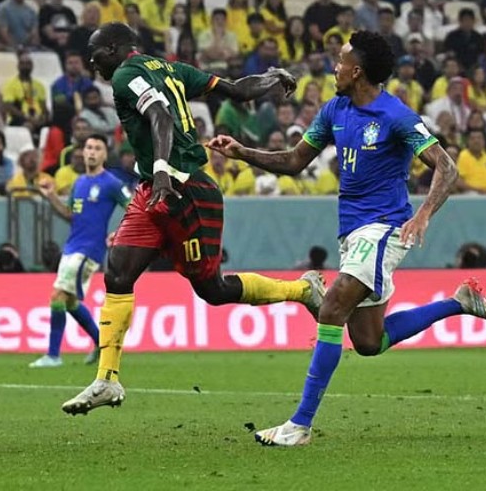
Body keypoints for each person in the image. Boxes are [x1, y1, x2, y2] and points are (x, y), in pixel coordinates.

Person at [207, 30, 486, 447]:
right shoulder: (333, 110)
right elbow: (293, 161)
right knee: (367, 341)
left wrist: (423, 215)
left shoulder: (395, 116)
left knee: (331, 308)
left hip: (384, 229)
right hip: (353, 232)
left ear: (357, 71)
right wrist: (241, 152)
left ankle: (299, 425)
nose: (334, 68)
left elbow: (446, 168)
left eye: (340, 62)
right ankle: (459, 303)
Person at [61, 23, 324, 415]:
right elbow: (236, 89)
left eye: (96, 53)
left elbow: (161, 117)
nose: (92, 61)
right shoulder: (172, 69)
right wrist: (270, 78)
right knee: (117, 272)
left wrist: (164, 170)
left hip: (186, 188)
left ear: (115, 49)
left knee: (212, 290)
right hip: (153, 188)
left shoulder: (125, 75)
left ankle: (302, 291)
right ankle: (106, 380)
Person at [30, 134, 129, 368]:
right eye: (89, 147)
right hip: (72, 245)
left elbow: (133, 207)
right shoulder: (79, 183)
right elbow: (70, 215)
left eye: (97, 148)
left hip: (89, 250)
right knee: (71, 301)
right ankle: (101, 342)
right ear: (83, 153)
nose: (92, 151)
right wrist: (51, 196)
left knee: (57, 296)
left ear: (104, 154)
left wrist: (120, 232)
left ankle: (53, 355)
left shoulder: (112, 183)